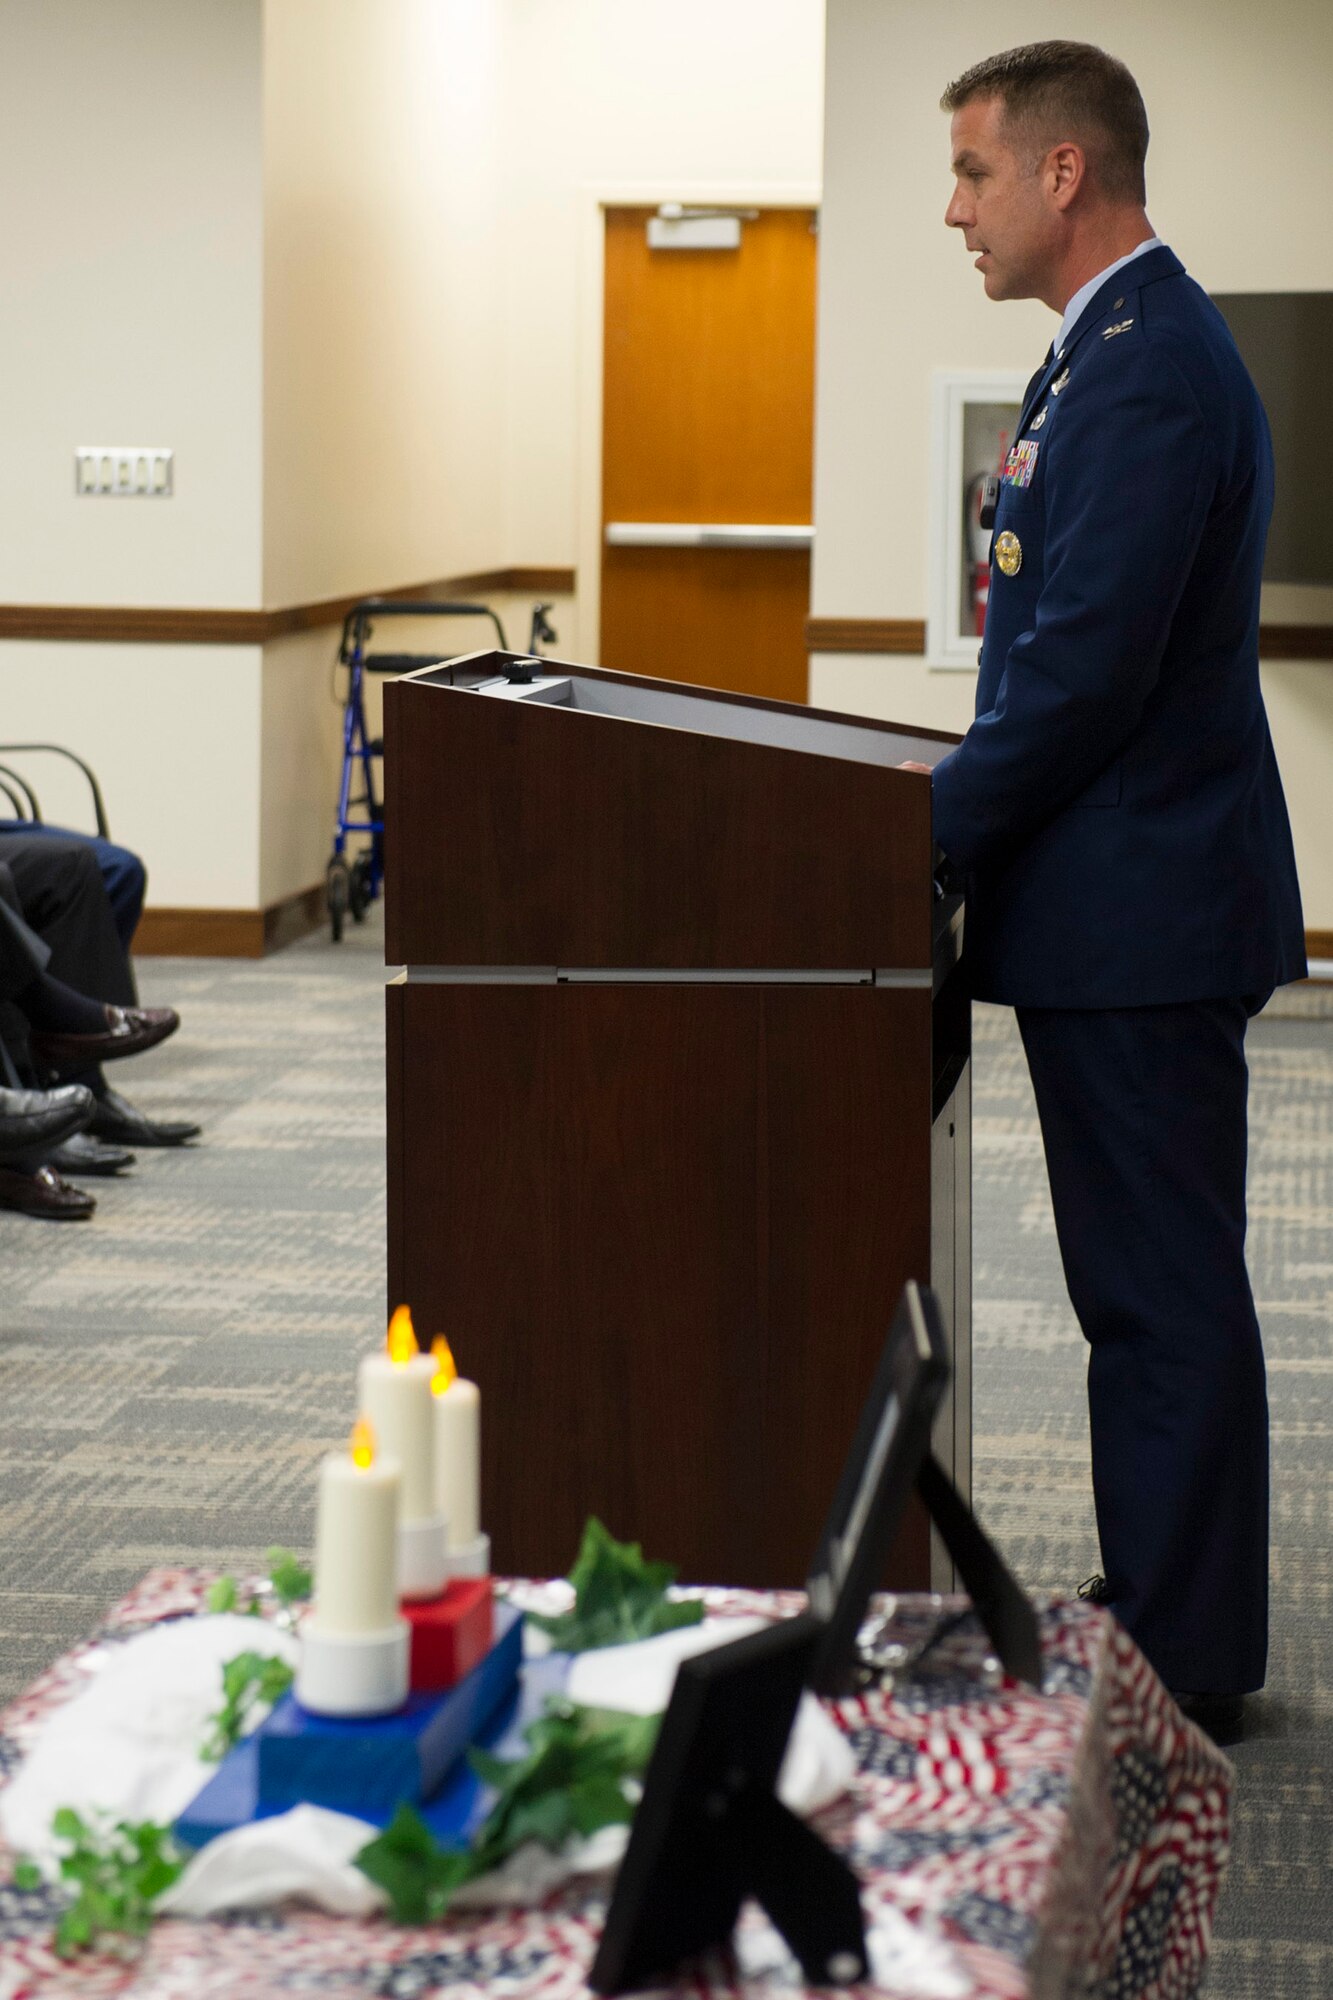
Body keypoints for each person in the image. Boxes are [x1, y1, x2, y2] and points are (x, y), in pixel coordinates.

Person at [925, 41, 1305, 1742]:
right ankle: (1167, 1603)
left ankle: (1186, 1644)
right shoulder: (1109, 357)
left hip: (1142, 917)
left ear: (1061, 175)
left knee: (1155, 1291)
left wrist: (913, 833)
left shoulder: (1148, 370)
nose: (956, 210)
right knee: (1138, 1288)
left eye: (971, 172)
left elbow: (1078, 679)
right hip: (1118, 907)